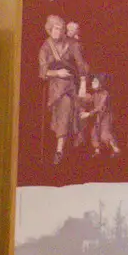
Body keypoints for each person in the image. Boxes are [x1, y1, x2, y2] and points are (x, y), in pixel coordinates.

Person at [38, 14, 89, 163]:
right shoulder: (46, 47)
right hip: (55, 88)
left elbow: (81, 64)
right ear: (50, 29)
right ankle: (59, 149)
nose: (58, 32)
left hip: (71, 86)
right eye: (55, 29)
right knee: (64, 109)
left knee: (75, 107)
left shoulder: (71, 44)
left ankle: (64, 148)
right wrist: (57, 73)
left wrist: (84, 83)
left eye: (60, 29)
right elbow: (42, 71)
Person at [80, 74, 120, 156]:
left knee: (104, 134)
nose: (92, 83)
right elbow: (88, 101)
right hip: (98, 118)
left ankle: (116, 150)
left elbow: (100, 107)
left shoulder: (105, 94)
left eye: (95, 82)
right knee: (94, 134)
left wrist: (88, 114)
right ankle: (97, 151)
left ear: (101, 83)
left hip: (106, 117)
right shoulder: (95, 94)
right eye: (93, 81)